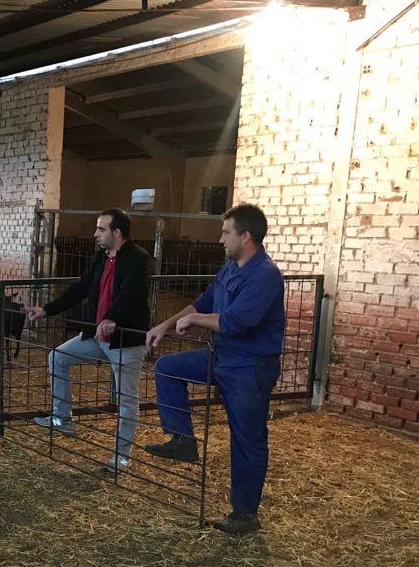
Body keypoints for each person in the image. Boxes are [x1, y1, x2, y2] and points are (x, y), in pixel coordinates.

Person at [143, 203, 284, 536]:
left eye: (226, 233)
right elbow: (204, 302)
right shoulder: (230, 269)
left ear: (245, 236)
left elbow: (236, 322)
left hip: (249, 366)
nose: (221, 240)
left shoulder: (265, 275)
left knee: (247, 438)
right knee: (168, 367)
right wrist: (165, 325)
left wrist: (195, 320)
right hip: (222, 357)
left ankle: (245, 513)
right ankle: (182, 439)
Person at [25, 208, 153, 473]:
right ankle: (62, 418)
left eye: (101, 229)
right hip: (97, 336)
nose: (95, 234)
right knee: (57, 357)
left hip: (125, 340)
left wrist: (112, 317)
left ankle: (121, 457)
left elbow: (132, 293)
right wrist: (47, 309)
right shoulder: (100, 258)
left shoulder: (138, 259)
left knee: (126, 400)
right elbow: (80, 288)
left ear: (117, 232)